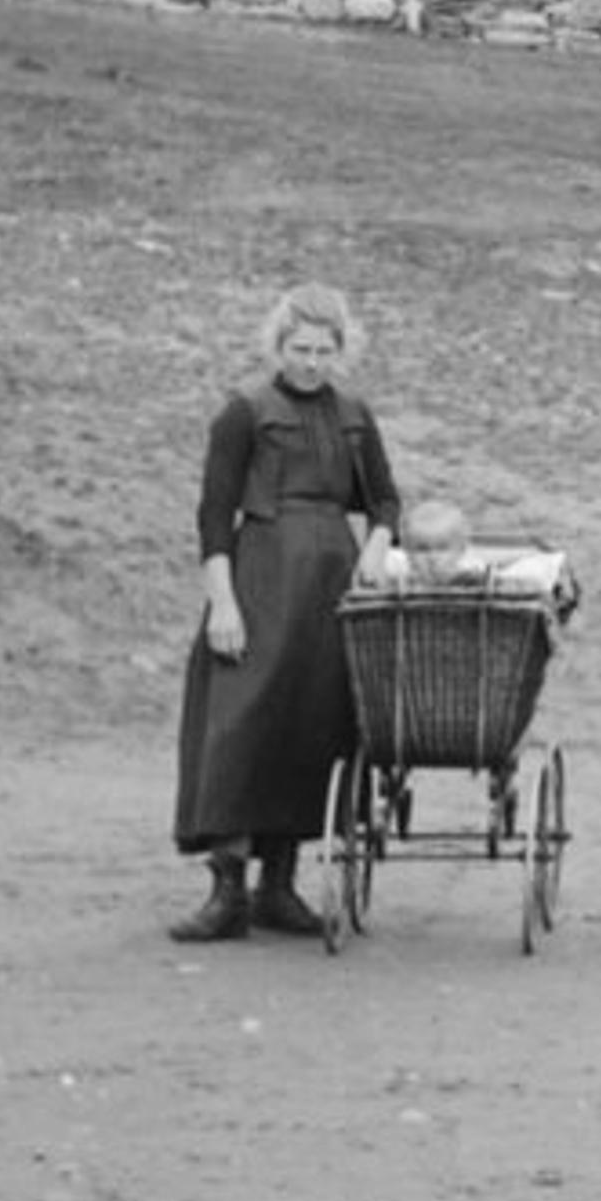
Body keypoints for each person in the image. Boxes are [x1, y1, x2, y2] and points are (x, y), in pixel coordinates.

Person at [169, 283, 404, 943]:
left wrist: (379, 544)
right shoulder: (243, 413)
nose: (311, 361)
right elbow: (215, 514)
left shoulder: (355, 414)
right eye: (299, 348)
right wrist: (222, 599)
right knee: (239, 720)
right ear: (278, 345)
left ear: (342, 350)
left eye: (324, 350)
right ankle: (227, 891)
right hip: (261, 575)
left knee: (312, 725)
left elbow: (386, 500)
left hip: (333, 583)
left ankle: (280, 884)